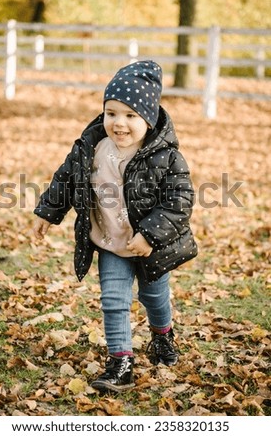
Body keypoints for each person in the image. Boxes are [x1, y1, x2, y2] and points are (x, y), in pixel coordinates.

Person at [32, 60, 197, 393]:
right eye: (111, 113)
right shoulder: (92, 148)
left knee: (155, 298)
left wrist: (150, 234)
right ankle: (120, 361)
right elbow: (67, 178)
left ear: (149, 118)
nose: (119, 123)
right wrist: (47, 212)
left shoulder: (165, 156)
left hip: (151, 246)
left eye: (130, 115)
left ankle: (162, 335)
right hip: (110, 242)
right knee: (113, 300)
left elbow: (179, 201)